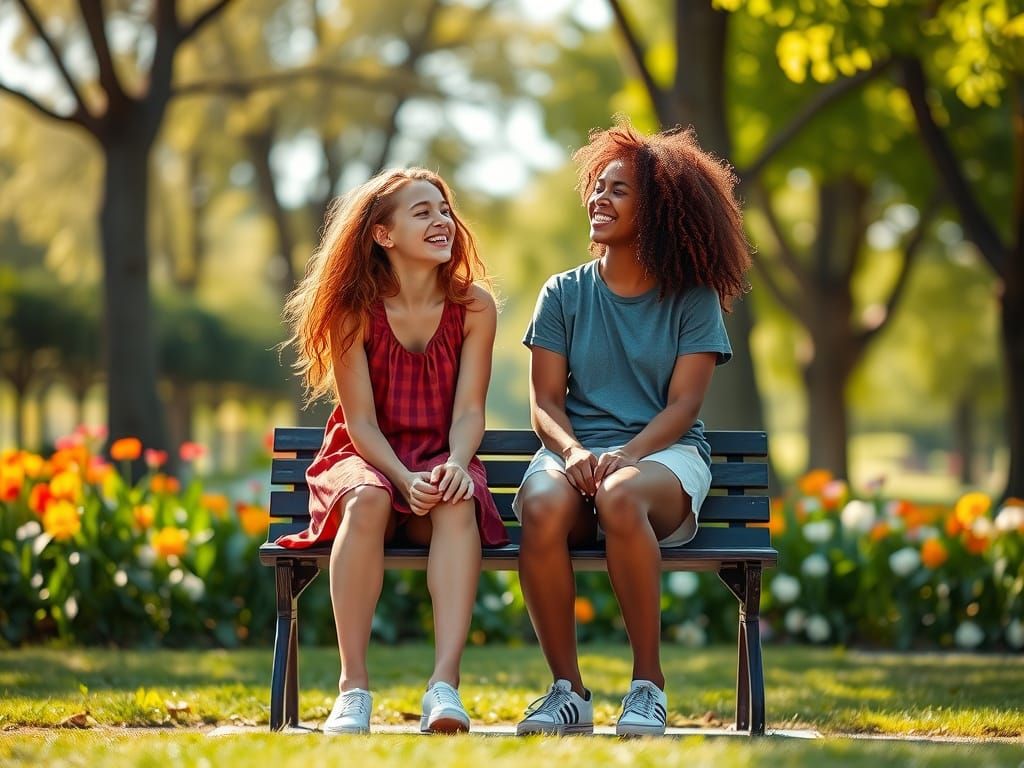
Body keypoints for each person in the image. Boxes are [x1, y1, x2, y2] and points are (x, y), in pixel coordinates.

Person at [513, 121, 750, 737]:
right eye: (597, 187)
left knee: (621, 495)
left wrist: (623, 456)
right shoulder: (562, 293)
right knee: (536, 504)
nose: (599, 199)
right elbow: (544, 402)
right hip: (575, 457)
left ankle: (648, 685)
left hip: (662, 457)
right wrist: (571, 454)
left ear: (660, 208)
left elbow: (684, 406)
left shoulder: (691, 299)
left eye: (617, 190)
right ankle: (568, 691)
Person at [276, 167, 508, 736]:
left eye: (444, 210)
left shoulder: (475, 307)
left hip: (442, 448)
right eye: (423, 212)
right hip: (369, 455)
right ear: (383, 234)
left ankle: (444, 688)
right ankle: (353, 688)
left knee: (456, 501)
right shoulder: (354, 311)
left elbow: (469, 412)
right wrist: (402, 478)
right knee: (367, 501)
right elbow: (360, 422)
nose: (441, 221)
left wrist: (454, 465)